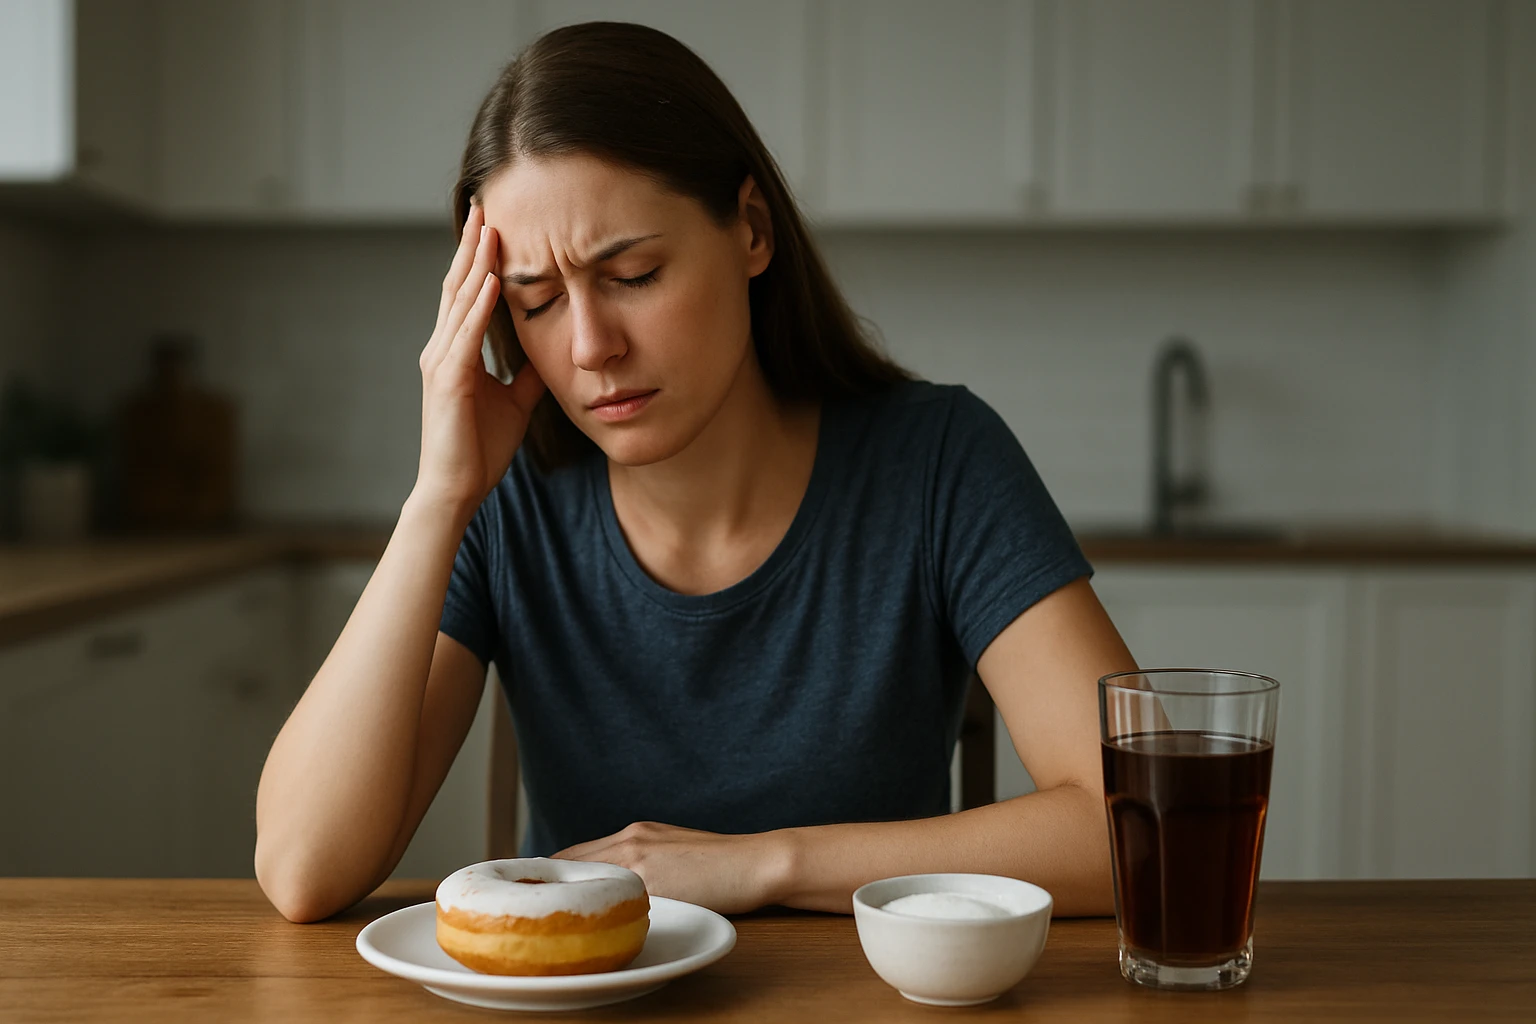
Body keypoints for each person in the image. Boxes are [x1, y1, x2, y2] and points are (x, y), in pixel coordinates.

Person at [254, 21, 1137, 924]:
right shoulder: (505, 500)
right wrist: (438, 500)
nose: (590, 346)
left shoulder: (938, 460)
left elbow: (1138, 825)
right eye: (538, 302)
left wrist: (765, 864)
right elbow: (301, 868)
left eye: (633, 274)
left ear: (751, 230)